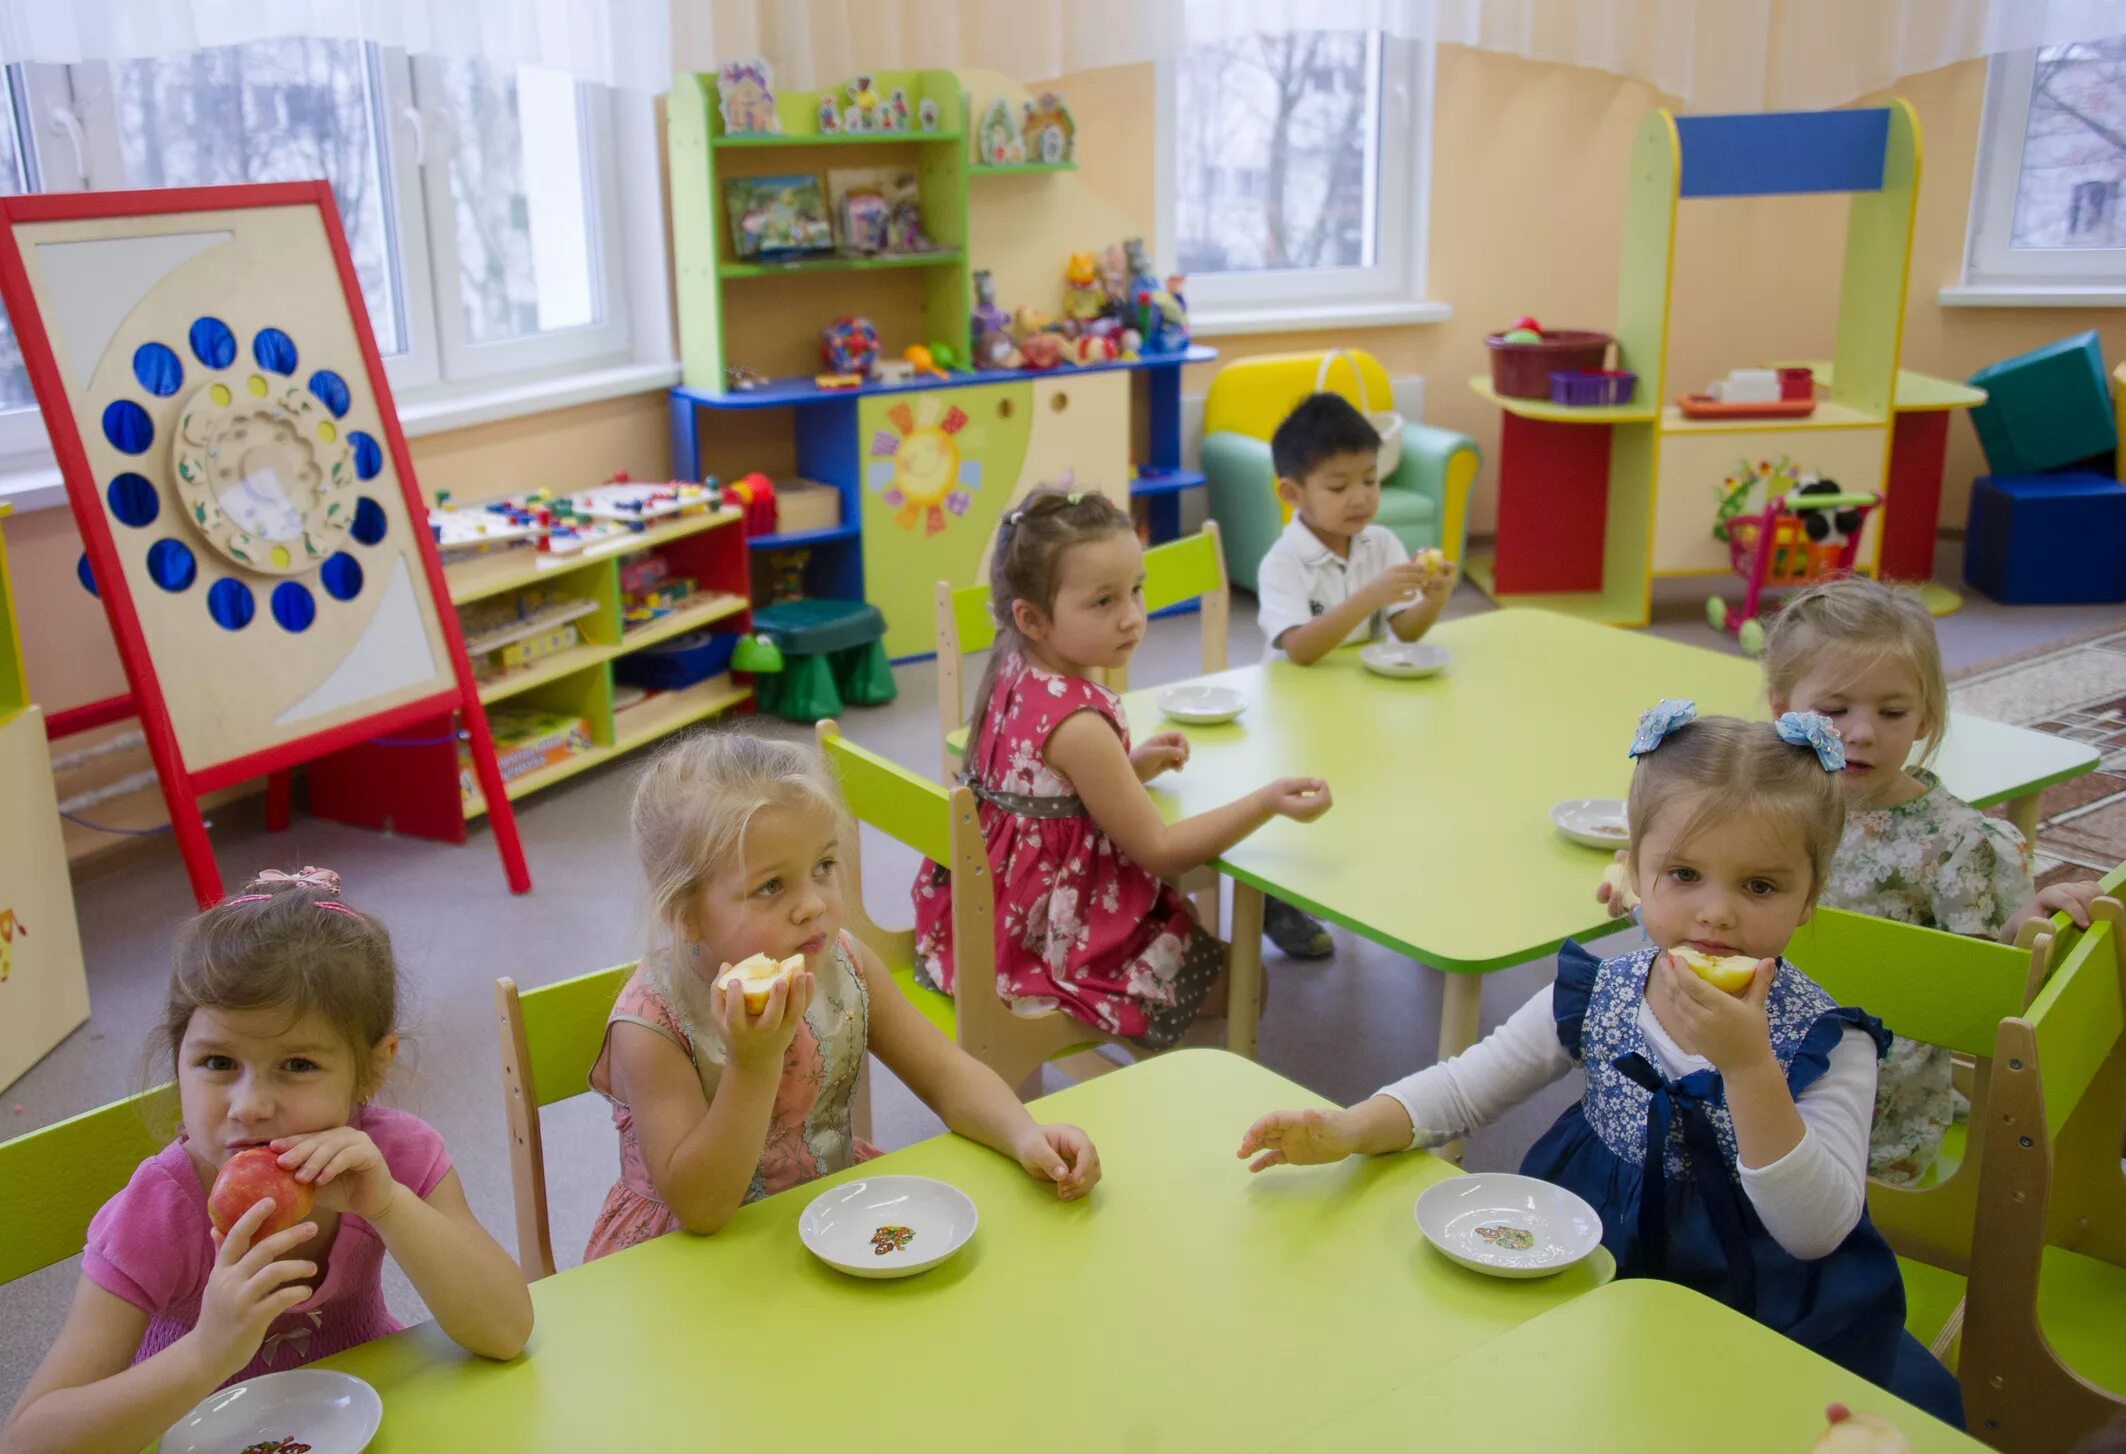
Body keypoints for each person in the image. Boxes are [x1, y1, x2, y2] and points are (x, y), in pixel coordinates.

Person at [1240, 708, 1964, 1427]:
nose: (1716, 914)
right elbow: (1465, 1088)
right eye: (1684, 874)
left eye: (1760, 887)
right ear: (1635, 872)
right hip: (1594, 1253)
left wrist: (1748, 1067)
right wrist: (1348, 1128)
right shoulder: (1601, 991)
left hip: (1760, 1303)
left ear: (1810, 896)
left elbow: (1816, 1231)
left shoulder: (1831, 1043)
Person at [3, 869, 531, 1454]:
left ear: (374, 1068)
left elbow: (507, 1331)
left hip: (368, 1417)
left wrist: (389, 1207)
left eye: (298, 1065)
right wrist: (207, 1352)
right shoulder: (155, 1214)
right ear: (177, 1060)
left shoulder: (392, 1159)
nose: (250, 1107)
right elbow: (31, 1440)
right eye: (218, 1063)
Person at [1598, 575, 2100, 1184]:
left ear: (1926, 717)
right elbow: (1709, 916)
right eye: (1835, 710)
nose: (1861, 732)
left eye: (1892, 711)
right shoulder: (1753, 810)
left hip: (1872, 1108)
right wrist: (1638, 894)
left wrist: (2034, 919)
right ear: (1784, 710)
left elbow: (1997, 963)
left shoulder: (1957, 843)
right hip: (1728, 1070)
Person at [586, 730, 1100, 1259]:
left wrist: (1024, 1134)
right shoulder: (651, 1023)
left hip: (826, 1214)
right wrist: (753, 1064)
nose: (812, 905)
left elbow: (946, 1074)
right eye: (771, 886)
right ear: (686, 914)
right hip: (691, 1255)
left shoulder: (842, 962)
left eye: (823, 867)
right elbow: (702, 1208)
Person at [913, 487, 1333, 1049]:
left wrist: (1124, 768)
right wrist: (1265, 801)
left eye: (1136, 591)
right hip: (1049, 941)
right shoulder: (1080, 723)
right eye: (1104, 602)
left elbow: (1035, 786)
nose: (1133, 618)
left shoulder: (1012, 664)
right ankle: (1172, 1095)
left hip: (983, 917)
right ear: (1032, 618)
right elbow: (1159, 849)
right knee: (1247, 982)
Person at [1252, 392, 1456, 958]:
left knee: (1372, 786)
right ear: (1293, 493)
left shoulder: (1381, 542)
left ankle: (1362, 881)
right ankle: (1276, 900)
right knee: (1299, 798)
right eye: (1339, 486)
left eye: (1370, 480)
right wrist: (1368, 594)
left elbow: (1407, 631)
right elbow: (1301, 649)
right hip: (1296, 707)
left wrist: (1433, 598)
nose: (1361, 497)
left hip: (1363, 700)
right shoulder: (1282, 562)